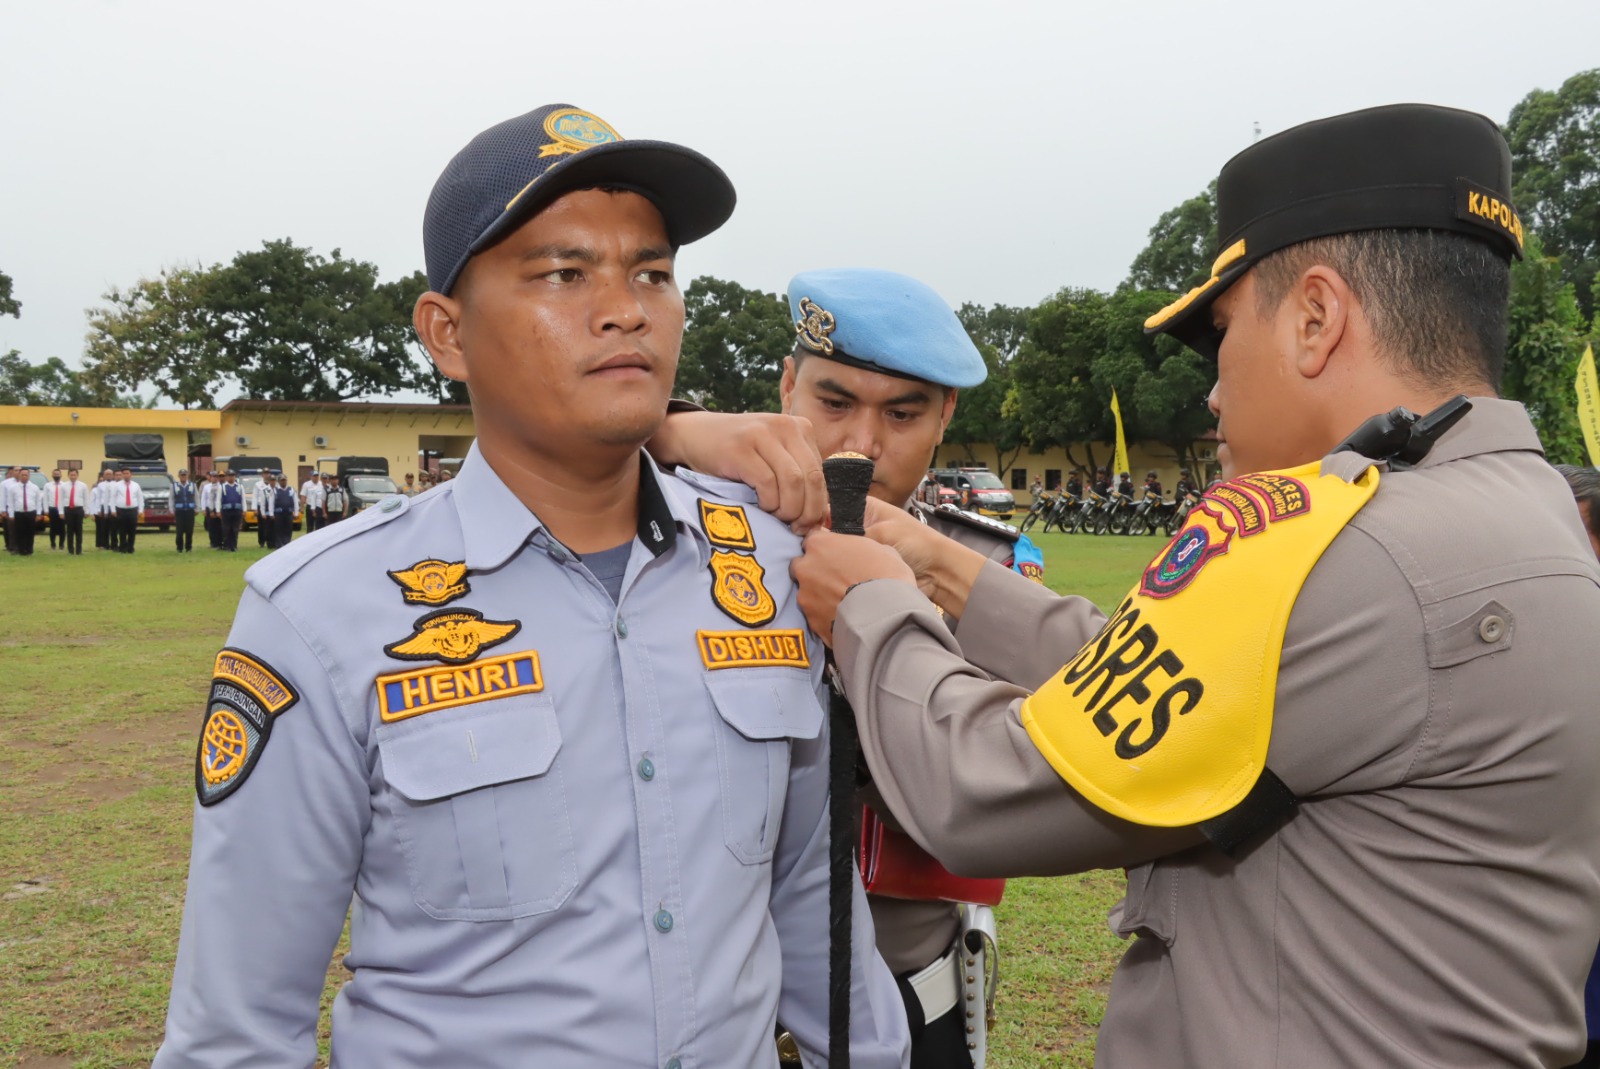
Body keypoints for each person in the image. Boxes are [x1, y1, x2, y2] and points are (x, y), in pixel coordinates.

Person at [784, 104, 1600, 1066]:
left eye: (1223, 331)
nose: (1213, 391)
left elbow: (982, 787)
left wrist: (872, 603)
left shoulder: (1354, 552)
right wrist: (945, 569)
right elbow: (1175, 678)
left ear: (1315, 316)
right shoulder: (1520, 510)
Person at [152, 102, 908, 1069]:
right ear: (448, 332)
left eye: (652, 273)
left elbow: (810, 895)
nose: (625, 307)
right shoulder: (320, 612)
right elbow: (237, 1027)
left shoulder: (764, 571)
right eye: (564, 272)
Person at [651, 268, 1039, 1068]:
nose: (861, 443)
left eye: (902, 412)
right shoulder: (685, 535)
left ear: (946, 416)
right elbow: (554, 454)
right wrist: (671, 427)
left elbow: (1012, 792)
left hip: (907, 987)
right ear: (785, 384)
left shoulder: (981, 566)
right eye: (833, 402)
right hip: (709, 1007)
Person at [4, 466, 41, 556]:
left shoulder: (34, 487)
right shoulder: (13, 488)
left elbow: (38, 502)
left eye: (26, 475)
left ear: (29, 476)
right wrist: (11, 514)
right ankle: (21, 550)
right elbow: (11, 502)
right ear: (19, 475)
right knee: (20, 532)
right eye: (22, 475)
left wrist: (38, 513)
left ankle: (29, 550)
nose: (24, 477)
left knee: (30, 532)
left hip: (30, 512)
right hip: (19, 513)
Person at [113, 467, 143, 553]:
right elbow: (113, 498)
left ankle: (131, 548)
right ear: (122, 475)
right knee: (122, 530)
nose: (126, 475)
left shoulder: (136, 485)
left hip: (132, 510)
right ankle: (123, 548)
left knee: (132, 530)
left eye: (127, 473)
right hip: (121, 510)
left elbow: (140, 498)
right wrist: (113, 509)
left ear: (131, 474)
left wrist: (140, 510)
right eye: (124, 473)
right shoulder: (117, 485)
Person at [61, 467, 88, 555]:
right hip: (68, 509)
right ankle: (70, 550)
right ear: (68, 475)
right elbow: (60, 500)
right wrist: (61, 512)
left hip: (78, 509)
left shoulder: (83, 485)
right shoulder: (63, 486)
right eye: (71, 475)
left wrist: (87, 510)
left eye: (74, 475)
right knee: (69, 530)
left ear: (77, 475)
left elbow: (86, 499)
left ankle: (79, 549)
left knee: (79, 530)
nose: (73, 476)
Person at [172, 469, 198, 553]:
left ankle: (188, 547)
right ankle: (179, 547)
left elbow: (196, 497)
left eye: (185, 475)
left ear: (187, 476)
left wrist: (197, 508)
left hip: (190, 511)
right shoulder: (174, 486)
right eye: (182, 475)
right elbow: (171, 499)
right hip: (179, 511)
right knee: (179, 531)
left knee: (189, 530)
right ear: (179, 476)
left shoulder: (193, 485)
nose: (183, 477)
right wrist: (171, 509)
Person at [218, 471, 244, 552]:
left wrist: (244, 510)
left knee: (235, 529)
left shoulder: (240, 486)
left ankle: (234, 546)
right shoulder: (222, 487)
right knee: (226, 529)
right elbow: (218, 500)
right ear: (226, 477)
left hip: (237, 510)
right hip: (226, 511)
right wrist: (218, 510)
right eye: (229, 476)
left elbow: (243, 499)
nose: (231, 477)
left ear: (235, 477)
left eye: (232, 475)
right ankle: (227, 546)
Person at [272, 474, 297, 550]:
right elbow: (271, 502)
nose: (283, 482)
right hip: (279, 513)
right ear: (279, 481)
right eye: (282, 480)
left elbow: (295, 502)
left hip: (289, 513)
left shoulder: (291, 489)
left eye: (284, 480)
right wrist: (271, 513)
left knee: (288, 529)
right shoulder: (275, 490)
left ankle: (287, 543)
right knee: (279, 529)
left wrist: (296, 513)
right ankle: (279, 544)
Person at [45, 469, 66, 550]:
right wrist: (46, 509)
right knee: (52, 527)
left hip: (62, 509)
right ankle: (53, 544)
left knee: (62, 527)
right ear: (52, 475)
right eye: (55, 474)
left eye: (58, 474)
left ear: (61, 475)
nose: (56, 475)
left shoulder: (64, 485)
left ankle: (61, 544)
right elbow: (45, 498)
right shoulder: (48, 485)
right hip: (52, 508)